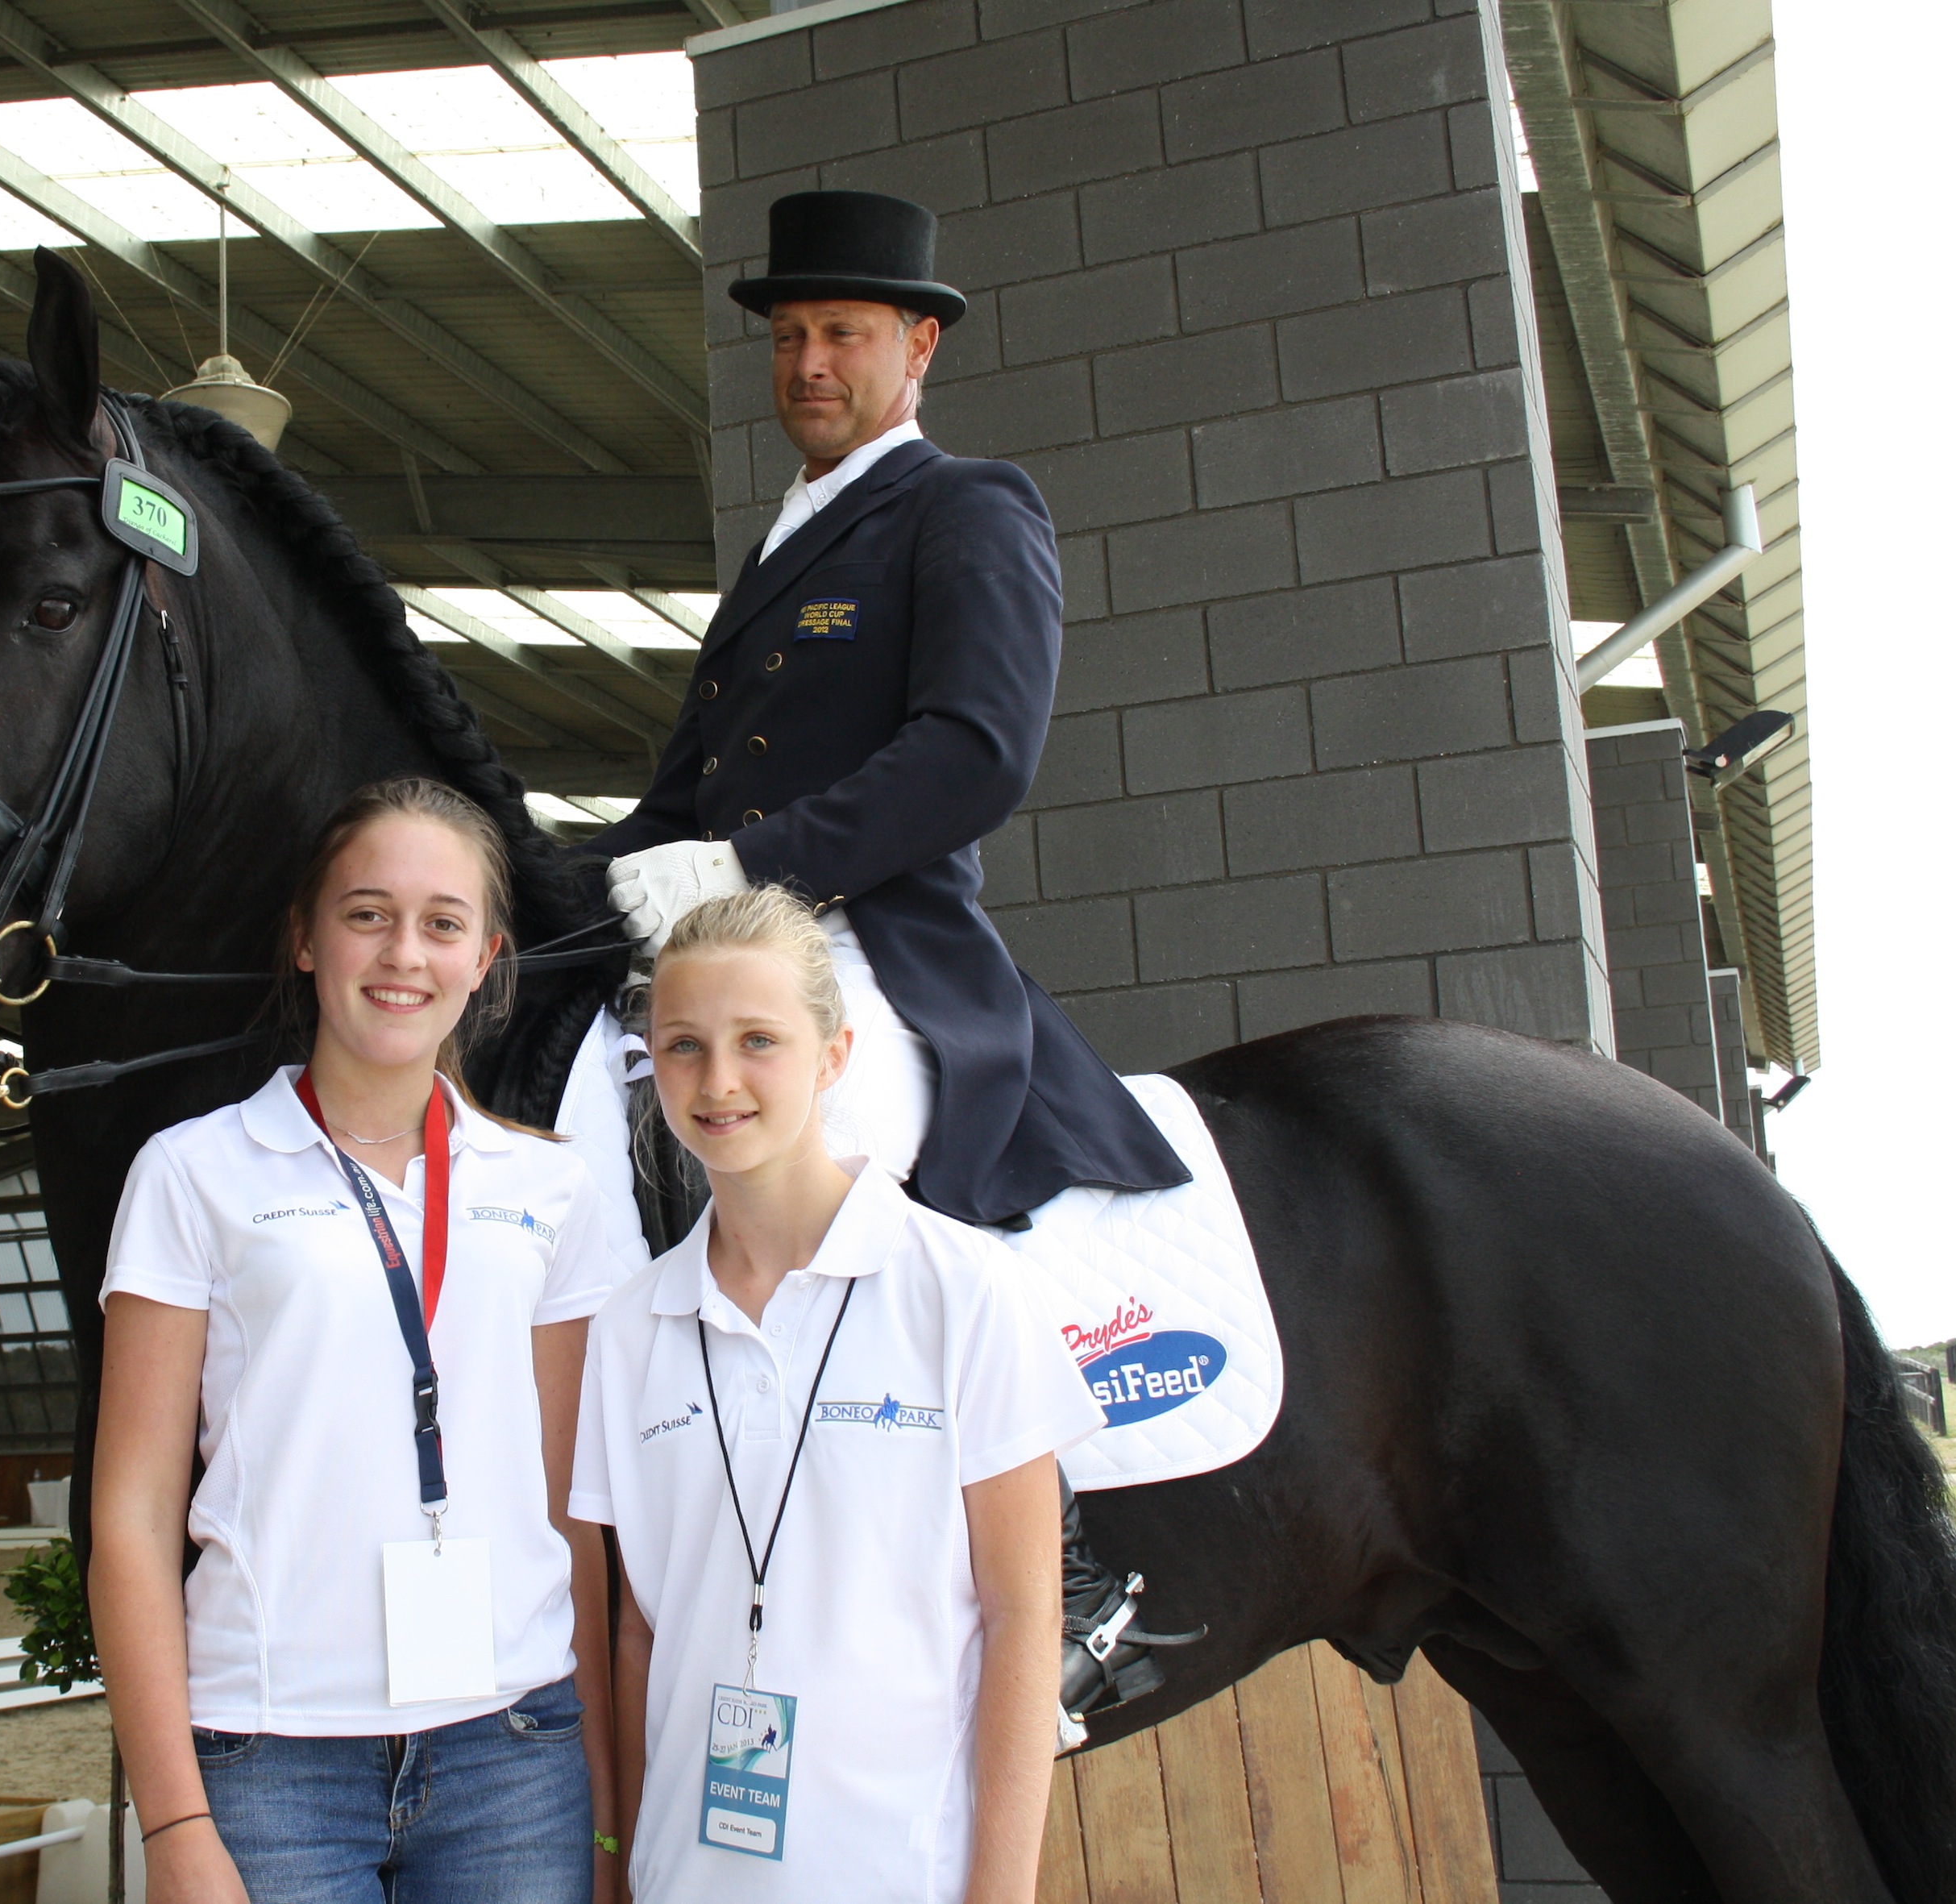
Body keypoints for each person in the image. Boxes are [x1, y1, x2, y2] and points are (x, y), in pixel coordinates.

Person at [585, 187, 1191, 1228]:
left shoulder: (963, 504)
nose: (807, 362)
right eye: (786, 337)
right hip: (728, 948)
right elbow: (677, 802)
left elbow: (973, 752)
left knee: (800, 1164)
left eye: (839, 334)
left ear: (917, 348)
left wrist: (744, 864)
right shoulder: (773, 552)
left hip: (868, 950)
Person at [89, 779, 625, 1904]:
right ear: (303, 937)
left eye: (441, 922)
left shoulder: (550, 1187)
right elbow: (131, 1516)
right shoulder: (191, 1172)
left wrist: (606, 1802)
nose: (402, 953)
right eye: (365, 912)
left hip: (511, 1751)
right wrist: (173, 1820)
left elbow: (567, 1507)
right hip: (267, 1758)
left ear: (485, 955)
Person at [571, 886, 1101, 1903]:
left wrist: (1001, 1890)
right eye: (683, 1045)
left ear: (834, 1054)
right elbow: (640, 1626)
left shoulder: (961, 1288)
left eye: (758, 1039)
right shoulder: (628, 1327)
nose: (718, 1080)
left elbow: (1025, 1613)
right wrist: (623, 1867)